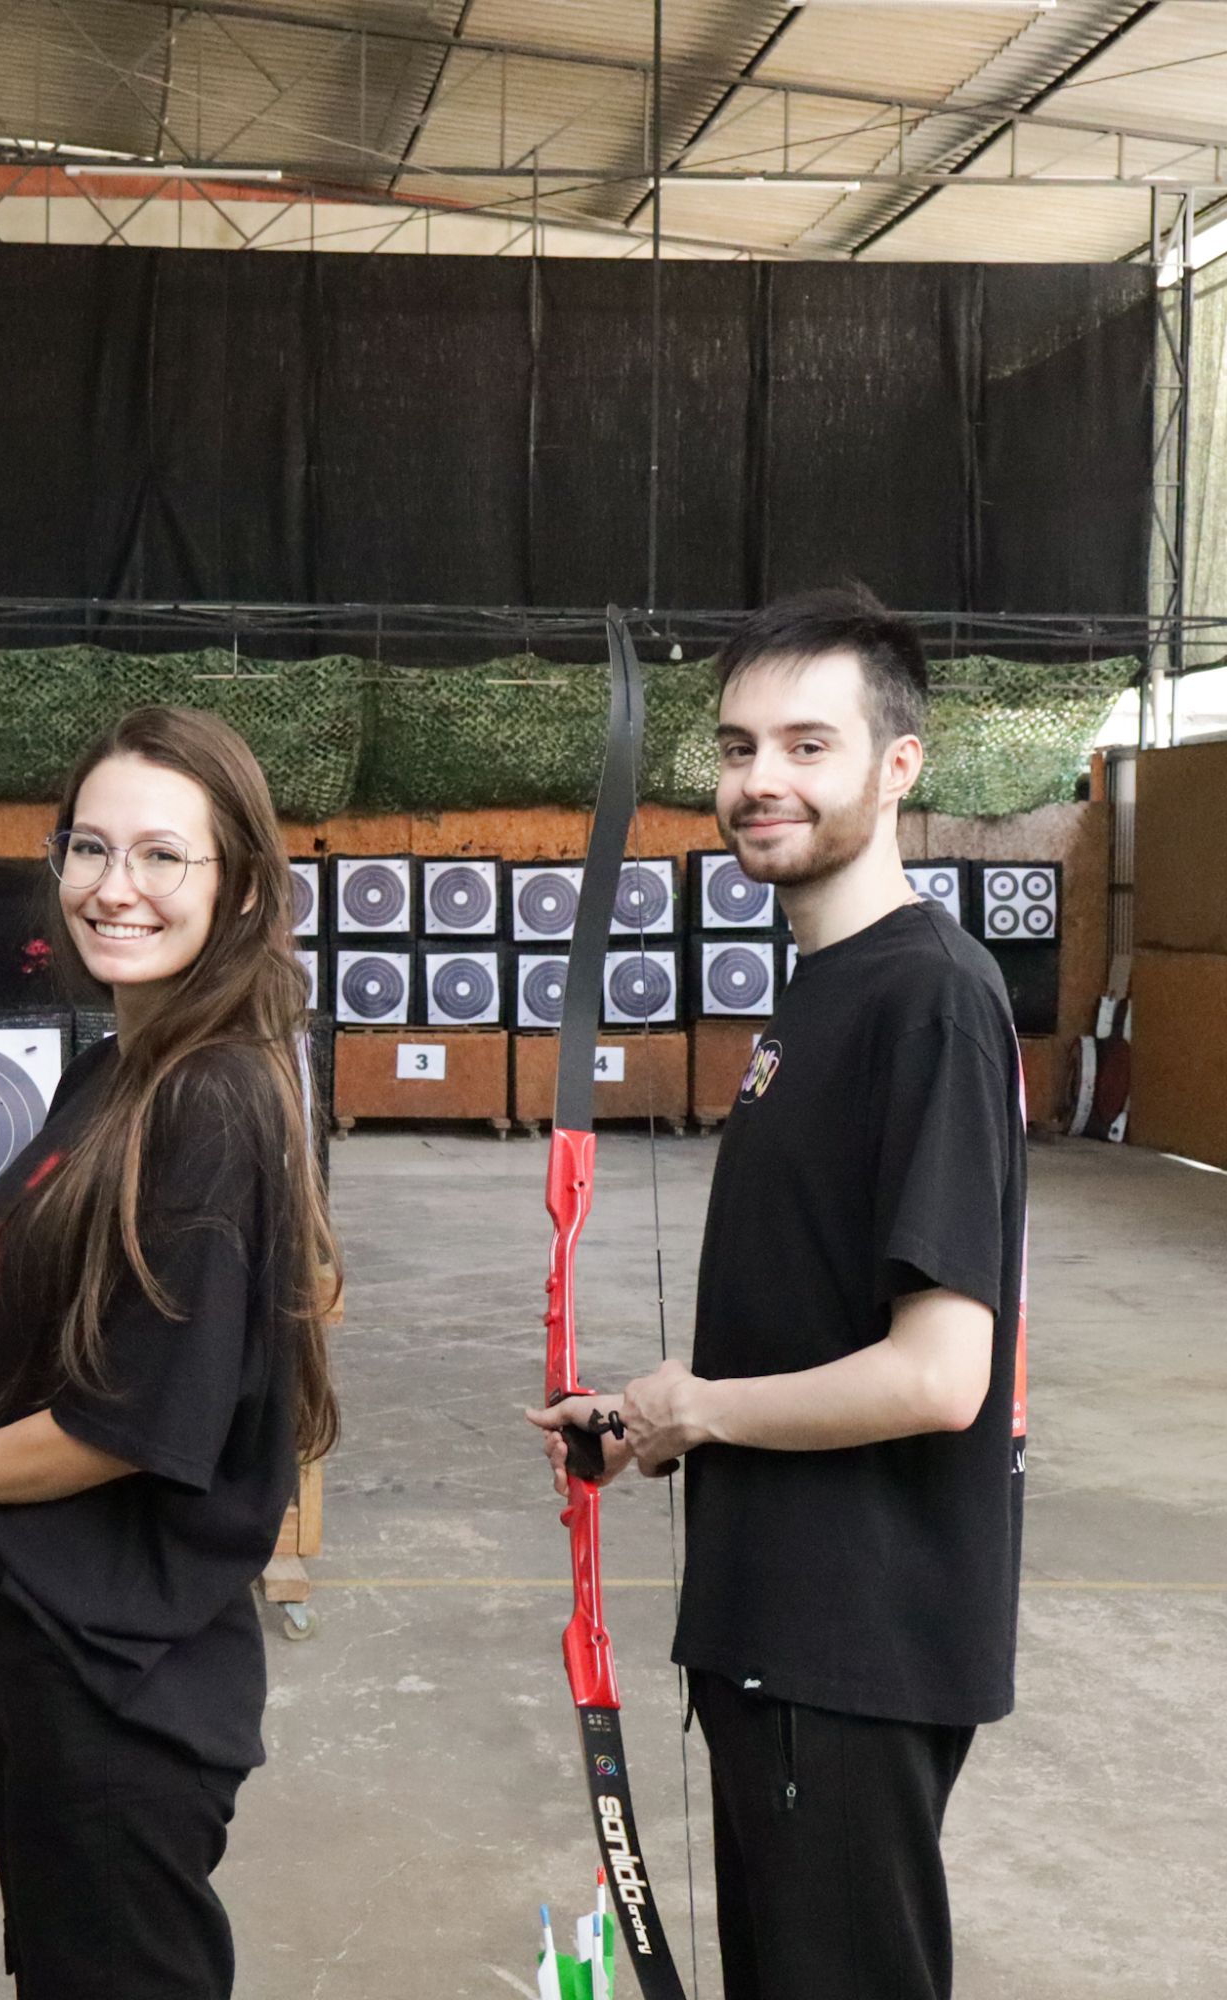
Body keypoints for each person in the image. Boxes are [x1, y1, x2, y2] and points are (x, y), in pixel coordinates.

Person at [0, 705, 339, 2000]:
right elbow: (86, 1327)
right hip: (61, 1636)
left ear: (240, 885)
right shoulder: (121, 1069)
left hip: (122, 1673)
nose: (113, 887)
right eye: (90, 847)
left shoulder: (208, 1099)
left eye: (161, 855)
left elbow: (127, 1420)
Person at [529, 586, 1027, 2000]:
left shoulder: (929, 997)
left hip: (848, 1644)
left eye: (810, 746)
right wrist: (652, 1422)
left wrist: (699, 1408)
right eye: (740, 746)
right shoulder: (824, 990)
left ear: (899, 765)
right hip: (780, 1632)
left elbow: (941, 1373)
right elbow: (816, 1321)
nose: (762, 780)